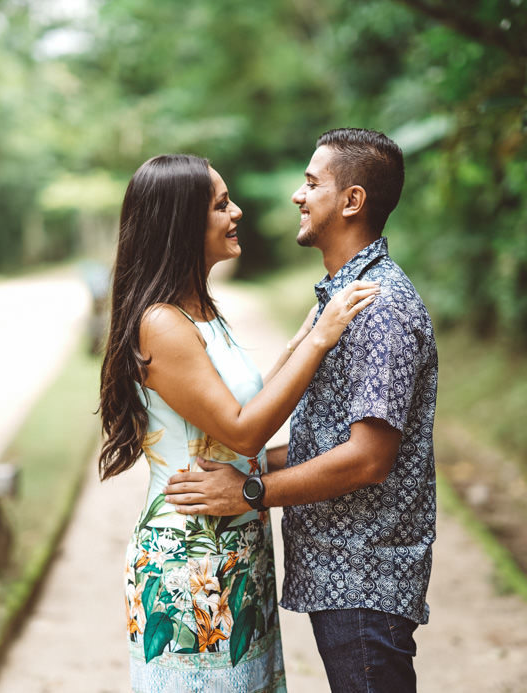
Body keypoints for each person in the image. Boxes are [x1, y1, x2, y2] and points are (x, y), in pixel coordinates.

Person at [164, 129, 439, 693]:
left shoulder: (378, 307)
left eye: (312, 183)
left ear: (352, 201)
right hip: (343, 576)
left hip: (364, 577)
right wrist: (253, 468)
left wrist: (250, 491)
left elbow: (367, 459)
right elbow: (329, 437)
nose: (298, 194)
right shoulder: (342, 299)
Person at [98, 153, 379, 693]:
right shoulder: (161, 323)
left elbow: (242, 406)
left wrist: (300, 339)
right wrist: (319, 343)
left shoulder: (199, 310)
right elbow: (244, 431)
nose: (237, 212)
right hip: (190, 561)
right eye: (221, 205)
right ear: (181, 224)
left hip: (236, 545)